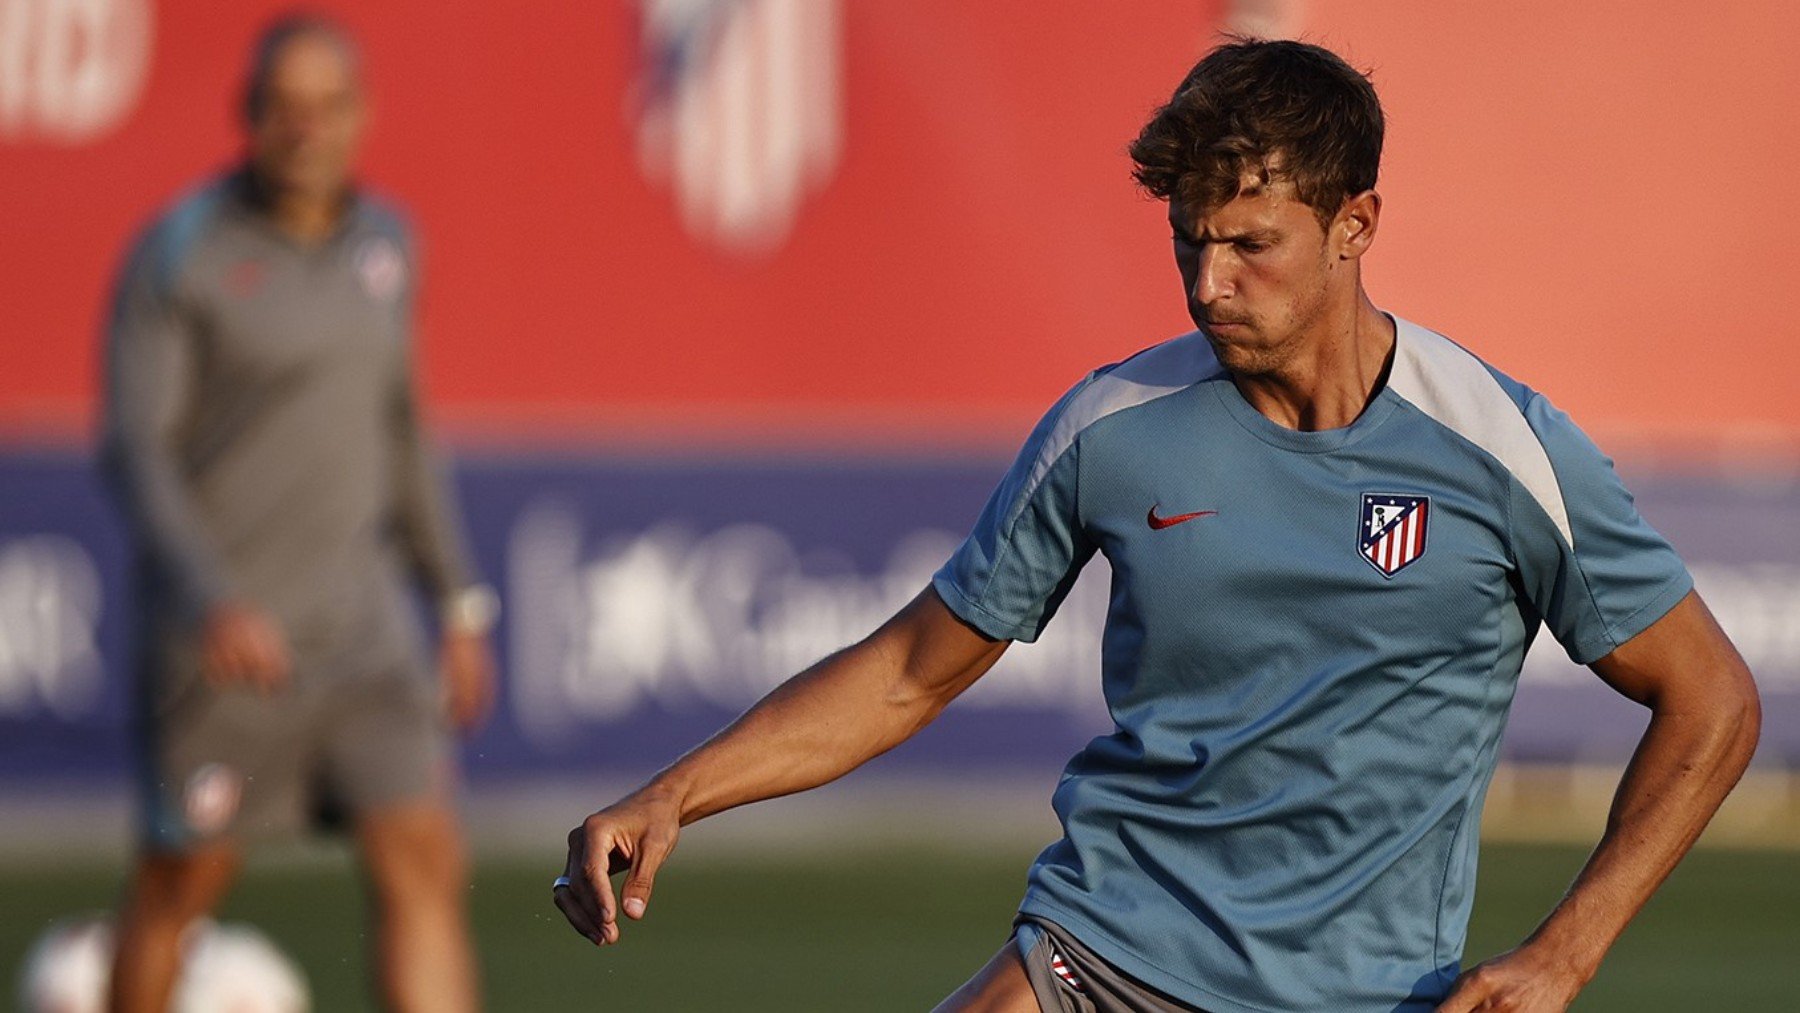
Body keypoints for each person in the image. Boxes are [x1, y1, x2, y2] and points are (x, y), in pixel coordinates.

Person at [552, 38, 1761, 1013]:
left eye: (1249, 244)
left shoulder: (1505, 449)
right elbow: (911, 672)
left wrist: (1566, 951)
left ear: (1356, 224)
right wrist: (677, 791)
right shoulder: (1113, 425)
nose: (1206, 281)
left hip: (1374, 991)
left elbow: (1712, 697)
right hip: (1105, 948)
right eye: (1189, 240)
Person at [100, 15, 496, 1013]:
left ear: (359, 116)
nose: (303, 127)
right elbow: (135, 448)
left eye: (326, 106)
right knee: (179, 883)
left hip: (364, 633)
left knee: (422, 858)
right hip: (231, 643)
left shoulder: (388, 246)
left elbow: (404, 432)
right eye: (282, 106)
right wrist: (209, 598)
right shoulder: (182, 253)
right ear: (247, 115)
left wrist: (455, 602)